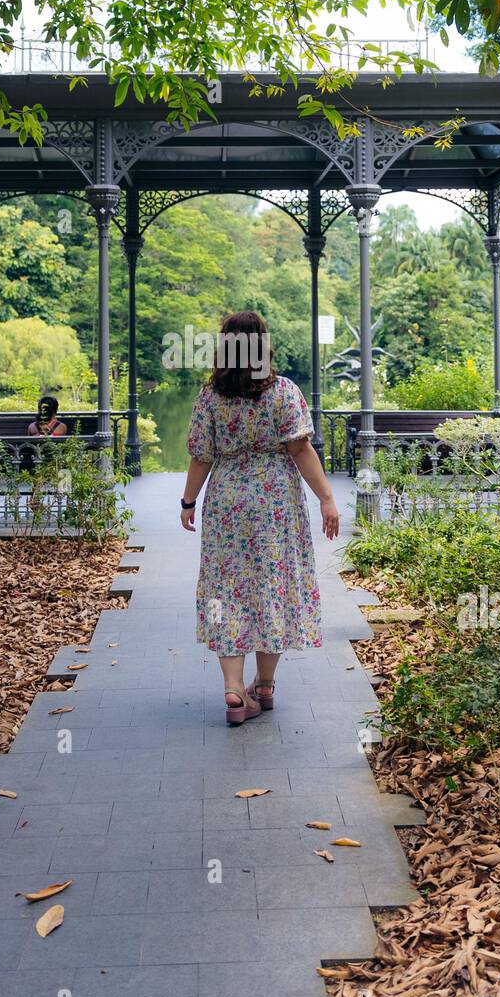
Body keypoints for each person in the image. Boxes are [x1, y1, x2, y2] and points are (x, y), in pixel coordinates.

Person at [182, 310, 340, 725]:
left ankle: (234, 691)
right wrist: (326, 498)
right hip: (276, 504)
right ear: (263, 346)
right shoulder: (284, 392)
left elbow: (201, 455)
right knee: (272, 584)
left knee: (226, 588)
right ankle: (265, 686)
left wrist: (187, 502)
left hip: (228, 501)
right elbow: (301, 450)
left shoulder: (209, 397)